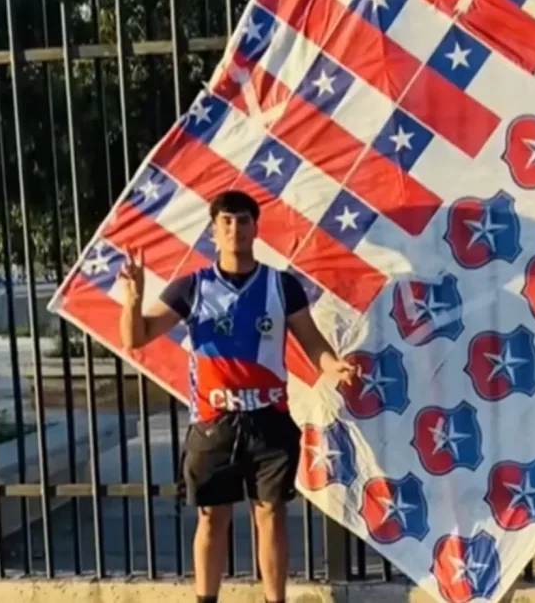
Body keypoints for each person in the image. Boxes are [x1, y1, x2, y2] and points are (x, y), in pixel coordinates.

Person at [118, 189, 358, 603]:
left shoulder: (282, 285)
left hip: (268, 419)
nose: (235, 229)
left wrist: (332, 365)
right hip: (213, 423)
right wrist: (133, 299)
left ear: (255, 228)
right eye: (226, 221)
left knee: (271, 515)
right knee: (213, 518)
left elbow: (312, 342)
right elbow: (136, 337)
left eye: (243, 220)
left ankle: (274, 598)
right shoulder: (191, 288)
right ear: (213, 231)